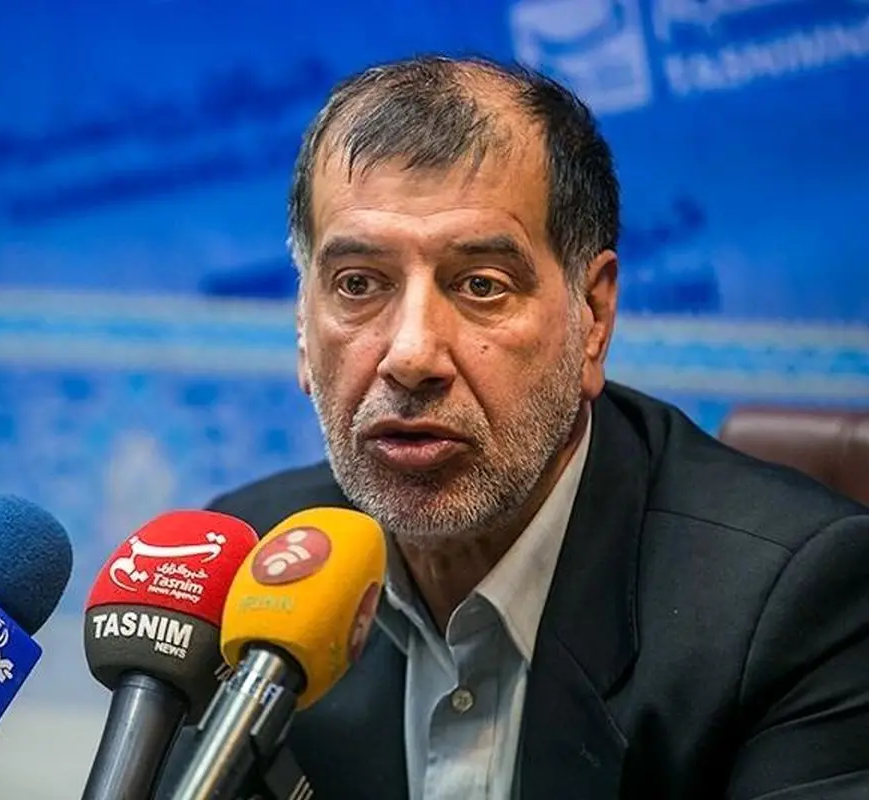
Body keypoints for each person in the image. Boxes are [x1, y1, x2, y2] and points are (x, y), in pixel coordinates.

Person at [160, 54, 869, 799]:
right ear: (304, 330)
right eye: (359, 284)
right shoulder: (246, 574)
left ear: (593, 317)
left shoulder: (793, 608)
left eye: (481, 285)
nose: (412, 356)